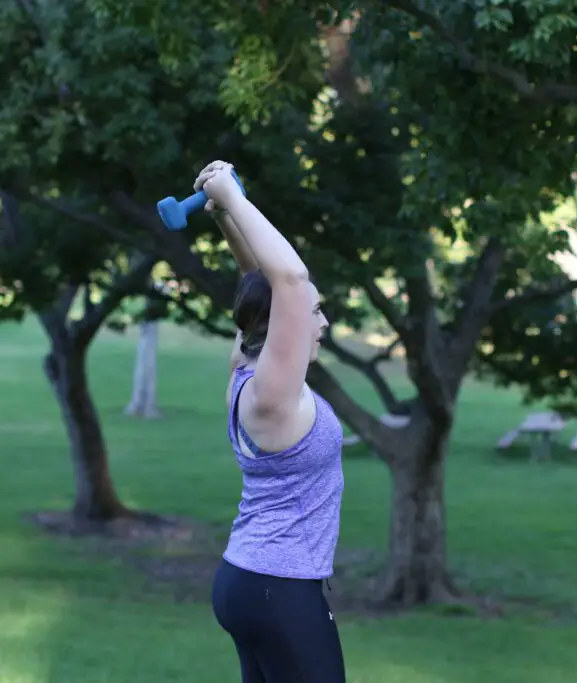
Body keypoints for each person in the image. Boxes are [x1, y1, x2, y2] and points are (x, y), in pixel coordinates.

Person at [195, 160, 347, 683]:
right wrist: (234, 199)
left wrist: (225, 218)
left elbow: (257, 283)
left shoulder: (249, 370)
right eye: (314, 311)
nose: (322, 321)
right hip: (277, 588)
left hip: (250, 580)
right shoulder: (274, 396)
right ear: (286, 320)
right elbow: (288, 278)